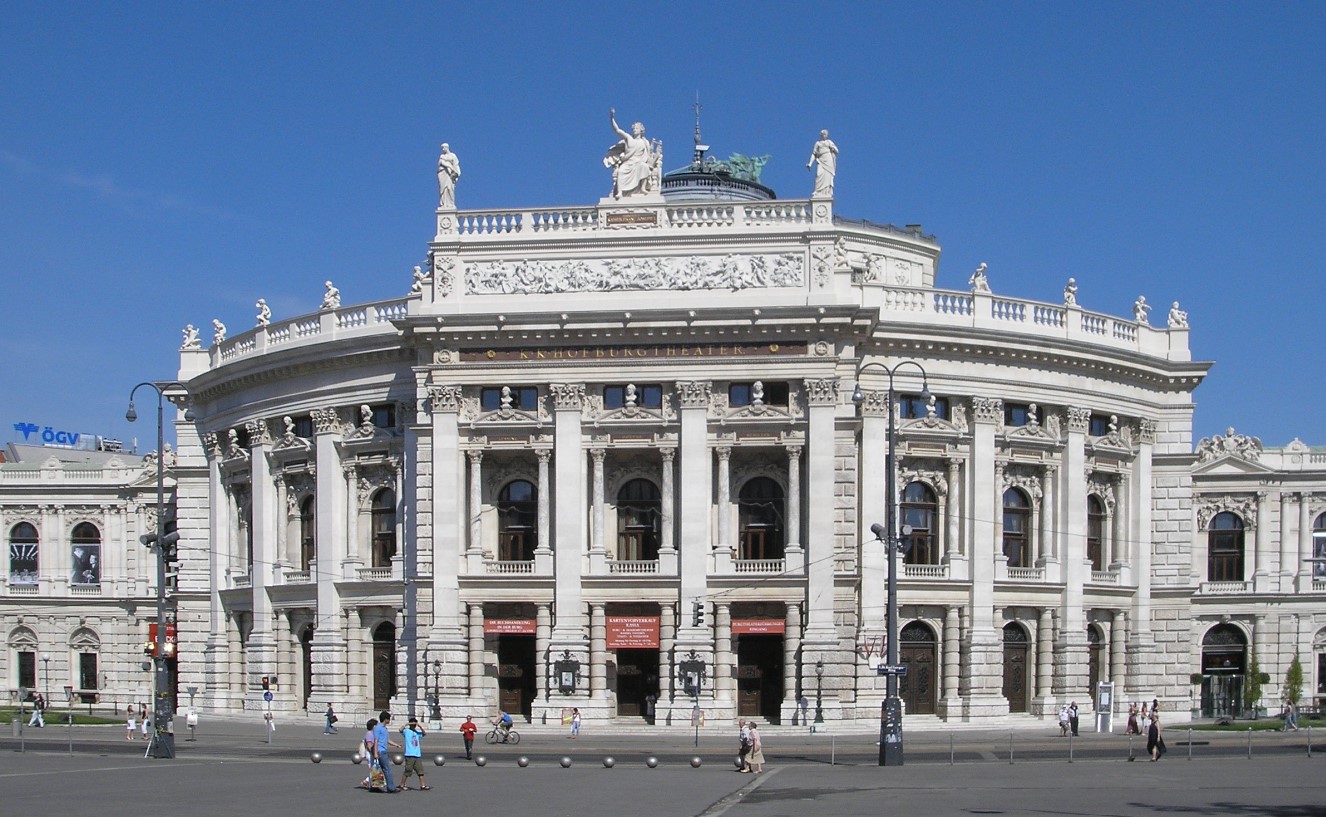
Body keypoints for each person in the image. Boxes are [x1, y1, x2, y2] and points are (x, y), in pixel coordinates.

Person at [606, 108, 656, 199]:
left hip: (639, 163)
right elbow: (617, 130)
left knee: (644, 167)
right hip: (628, 162)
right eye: (634, 128)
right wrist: (612, 117)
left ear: (641, 130)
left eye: (637, 128)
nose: (635, 130)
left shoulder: (644, 142)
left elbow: (648, 156)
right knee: (621, 171)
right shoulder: (629, 138)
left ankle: (643, 188)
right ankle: (620, 192)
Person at [373, 711, 402, 793]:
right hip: (380, 751)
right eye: (388, 719)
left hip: (383, 750)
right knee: (387, 769)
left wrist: (396, 745)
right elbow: (376, 741)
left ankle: (377, 786)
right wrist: (375, 753)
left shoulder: (384, 728)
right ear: (385, 719)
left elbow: (387, 740)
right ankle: (391, 787)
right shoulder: (378, 728)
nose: (389, 720)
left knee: (380, 769)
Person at [399, 716, 430, 791]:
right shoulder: (406, 731)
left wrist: (420, 726)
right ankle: (402, 785)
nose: (414, 726)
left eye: (415, 724)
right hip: (409, 754)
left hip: (417, 754)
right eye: (413, 724)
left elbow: (424, 733)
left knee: (420, 771)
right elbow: (400, 730)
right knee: (408, 770)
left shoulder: (417, 733)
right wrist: (407, 723)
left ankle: (422, 785)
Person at [806, 129, 839, 198]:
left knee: (827, 175)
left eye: (825, 134)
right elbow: (814, 154)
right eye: (823, 134)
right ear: (821, 135)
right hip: (820, 160)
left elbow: (837, 151)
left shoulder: (829, 142)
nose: (824, 135)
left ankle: (826, 192)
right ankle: (818, 191)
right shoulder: (818, 143)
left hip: (828, 159)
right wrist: (810, 163)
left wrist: (833, 148)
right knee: (819, 174)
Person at [437, 143, 461, 209]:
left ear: (447, 147)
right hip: (442, 173)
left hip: (450, 175)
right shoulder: (442, 156)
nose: (442, 149)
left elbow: (456, 165)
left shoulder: (453, 155)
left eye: (443, 148)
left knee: (450, 188)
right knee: (443, 189)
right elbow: (440, 163)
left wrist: (456, 173)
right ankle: (444, 204)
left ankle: (450, 204)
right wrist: (448, 165)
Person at [360, 718, 380, 790]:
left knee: (376, 769)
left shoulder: (373, 733)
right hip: (370, 754)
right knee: (374, 769)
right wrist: (374, 753)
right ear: (373, 726)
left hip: (373, 753)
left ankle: (369, 782)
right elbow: (369, 746)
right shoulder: (369, 734)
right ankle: (371, 784)